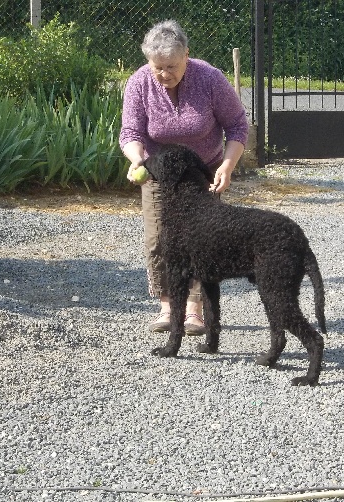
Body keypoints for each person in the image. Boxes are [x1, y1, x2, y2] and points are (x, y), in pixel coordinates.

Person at [119, 20, 248, 335]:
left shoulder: (210, 79)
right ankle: (168, 307)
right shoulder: (139, 83)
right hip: (158, 174)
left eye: (172, 66)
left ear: (187, 55)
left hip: (203, 172)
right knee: (158, 239)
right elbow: (131, 132)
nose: (164, 74)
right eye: (158, 67)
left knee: (199, 241)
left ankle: (193, 311)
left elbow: (237, 125)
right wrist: (138, 160)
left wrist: (227, 167)